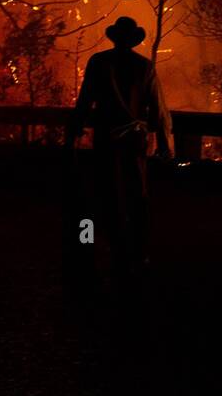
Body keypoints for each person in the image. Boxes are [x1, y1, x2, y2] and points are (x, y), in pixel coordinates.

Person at [71, 17, 173, 281]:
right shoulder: (144, 66)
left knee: (108, 190)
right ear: (134, 40)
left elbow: (85, 100)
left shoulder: (99, 62)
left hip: (107, 135)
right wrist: (163, 141)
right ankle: (138, 251)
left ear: (114, 37)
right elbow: (158, 107)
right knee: (136, 191)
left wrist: (75, 129)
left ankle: (116, 248)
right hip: (135, 138)